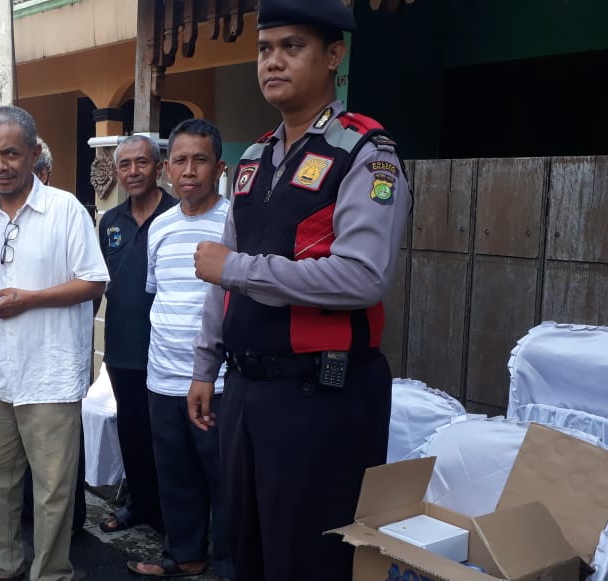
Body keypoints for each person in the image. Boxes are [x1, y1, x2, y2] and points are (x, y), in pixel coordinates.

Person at [186, 1, 413, 579]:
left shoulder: (365, 153)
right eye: (265, 49)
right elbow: (222, 279)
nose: (273, 62)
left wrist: (238, 270)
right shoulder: (255, 157)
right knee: (249, 552)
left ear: (334, 56)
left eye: (293, 47)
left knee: (310, 561)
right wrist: (205, 366)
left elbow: (363, 277)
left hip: (322, 398)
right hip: (247, 391)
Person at [0, 105, 108, 581]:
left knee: (53, 487)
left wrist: (30, 299)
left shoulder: (66, 210)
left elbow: (93, 283)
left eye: (10, 153)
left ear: (33, 153)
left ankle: (50, 571)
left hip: (49, 371)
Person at [126, 119, 232, 580]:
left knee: (224, 478)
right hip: (162, 375)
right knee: (176, 476)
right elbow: (158, 292)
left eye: (201, 160)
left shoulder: (234, 223)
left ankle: (229, 564)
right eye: (181, 161)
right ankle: (185, 556)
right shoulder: (160, 227)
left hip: (217, 380)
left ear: (219, 167)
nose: (189, 171)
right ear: (167, 169)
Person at [95, 134, 175, 534]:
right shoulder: (110, 222)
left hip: (169, 349)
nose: (133, 172)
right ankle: (141, 505)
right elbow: (98, 282)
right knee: (132, 429)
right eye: (124, 165)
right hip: (123, 346)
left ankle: (173, 516)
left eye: (141, 163)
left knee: (168, 436)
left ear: (159, 167)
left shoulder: (179, 215)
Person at [20, 137, 87, 536]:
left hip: (54, 357)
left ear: (42, 172)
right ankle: (27, 519)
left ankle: (67, 529)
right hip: (15, 359)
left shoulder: (67, 212)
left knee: (58, 460)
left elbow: (91, 285)